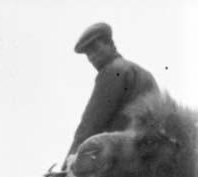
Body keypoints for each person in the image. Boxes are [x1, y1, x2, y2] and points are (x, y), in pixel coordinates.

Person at [62, 22, 158, 169]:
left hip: (125, 163)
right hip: (152, 158)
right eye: (88, 54)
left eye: (95, 49)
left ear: (110, 44)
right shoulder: (144, 73)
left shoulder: (112, 71)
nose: (92, 57)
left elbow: (90, 124)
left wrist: (66, 166)